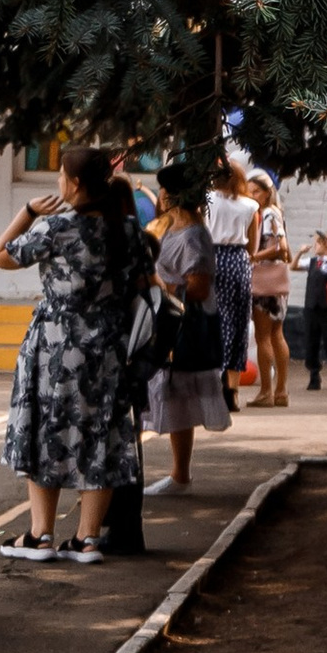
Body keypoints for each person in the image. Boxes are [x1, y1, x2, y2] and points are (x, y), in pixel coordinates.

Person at [0, 149, 149, 566]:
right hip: (109, 347)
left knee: (47, 429)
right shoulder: (128, 230)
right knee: (101, 433)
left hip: (57, 346)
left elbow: (2, 255)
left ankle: (40, 534)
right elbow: (140, 281)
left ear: (75, 183)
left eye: (62, 175)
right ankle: (87, 539)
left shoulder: (57, 227)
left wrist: (28, 211)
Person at [142, 164, 231, 490]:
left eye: (163, 190)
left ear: (171, 195)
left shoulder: (193, 235)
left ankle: (181, 473)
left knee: (178, 395)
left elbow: (199, 288)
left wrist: (158, 285)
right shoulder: (169, 229)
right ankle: (179, 473)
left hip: (183, 325)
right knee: (173, 397)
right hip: (167, 319)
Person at [205, 156, 255, 395]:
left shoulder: (206, 200)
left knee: (213, 319)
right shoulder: (250, 206)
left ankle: (214, 381)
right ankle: (232, 390)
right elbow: (252, 247)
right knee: (239, 322)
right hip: (238, 260)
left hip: (212, 258)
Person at [245, 175, 292, 407]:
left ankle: (266, 392)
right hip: (278, 282)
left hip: (264, 280)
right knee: (277, 334)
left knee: (263, 336)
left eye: (256, 191)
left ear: (266, 192)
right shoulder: (276, 212)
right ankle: (281, 390)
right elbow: (286, 251)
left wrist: (252, 257)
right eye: (249, 191)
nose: (252, 195)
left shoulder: (267, 214)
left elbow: (279, 248)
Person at [297, 226, 327, 390]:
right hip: (311, 306)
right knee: (311, 342)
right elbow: (293, 266)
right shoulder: (312, 262)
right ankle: (314, 375)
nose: (315, 246)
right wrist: (300, 253)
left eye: (318, 243)